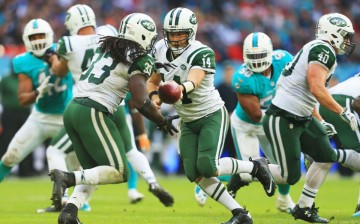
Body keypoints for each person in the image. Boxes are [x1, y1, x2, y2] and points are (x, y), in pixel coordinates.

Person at [147, 7, 276, 224]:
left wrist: (177, 90)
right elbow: (152, 81)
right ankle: (240, 214)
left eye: (181, 33)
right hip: (187, 119)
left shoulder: (202, 52)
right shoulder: (160, 49)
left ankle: (255, 166)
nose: (176, 38)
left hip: (211, 114)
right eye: (172, 33)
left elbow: (195, 81)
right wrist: (154, 98)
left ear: (192, 32)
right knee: (193, 173)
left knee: (208, 166)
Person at [49, 13, 178, 224]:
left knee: (95, 173)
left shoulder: (109, 46)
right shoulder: (139, 57)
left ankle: (69, 213)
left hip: (74, 108)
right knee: (120, 172)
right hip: (94, 110)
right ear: (143, 36)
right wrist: (162, 121)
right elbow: (140, 102)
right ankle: (67, 177)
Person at [262, 13, 358, 223]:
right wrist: (342, 112)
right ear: (333, 33)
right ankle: (250, 168)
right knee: (290, 176)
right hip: (283, 115)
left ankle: (304, 208)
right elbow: (316, 88)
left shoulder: (319, 49)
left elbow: (308, 95)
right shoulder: (323, 50)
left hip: (302, 115)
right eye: (345, 35)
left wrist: (322, 121)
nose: (348, 41)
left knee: (326, 156)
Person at [226, 32, 296, 213]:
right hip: (247, 126)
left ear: (270, 52)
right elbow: (256, 115)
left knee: (285, 171)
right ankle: (217, 177)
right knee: (250, 172)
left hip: (272, 124)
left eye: (260, 55)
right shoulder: (243, 77)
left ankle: (284, 199)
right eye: (252, 56)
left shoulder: (284, 60)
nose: (256, 60)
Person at [0, 19, 73, 182]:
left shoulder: (62, 49)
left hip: (66, 117)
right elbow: (23, 99)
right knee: (10, 156)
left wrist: (54, 59)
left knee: (76, 166)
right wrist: (37, 92)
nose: (38, 40)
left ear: (49, 36)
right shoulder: (23, 61)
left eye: (41, 36)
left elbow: (61, 72)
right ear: (27, 40)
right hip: (41, 117)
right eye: (33, 37)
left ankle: (78, 202)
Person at [314, 74, 360, 217]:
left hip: (326, 102)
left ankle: (304, 204)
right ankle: (329, 153)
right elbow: (357, 103)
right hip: (342, 103)